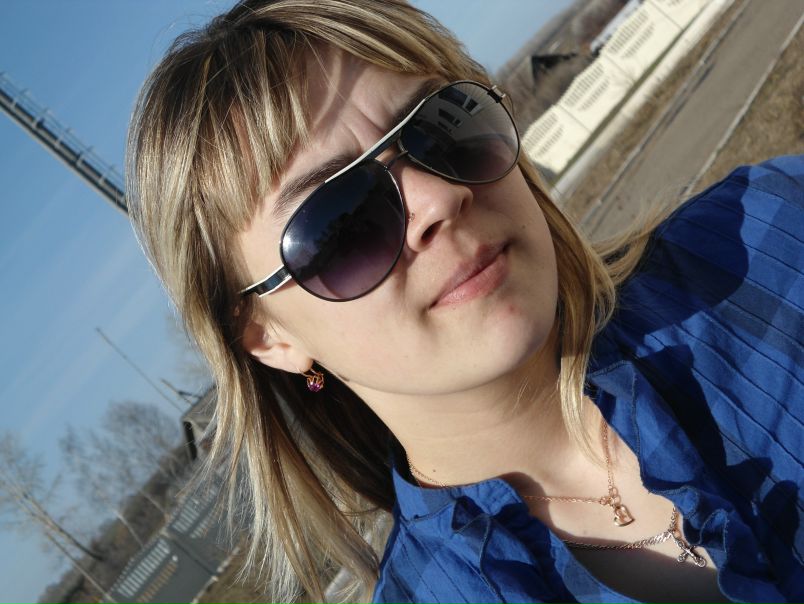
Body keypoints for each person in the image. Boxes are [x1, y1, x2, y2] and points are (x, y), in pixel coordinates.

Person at [126, 1, 803, 602]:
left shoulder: (772, 239)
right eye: (340, 222)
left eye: (441, 129)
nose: (439, 199)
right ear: (268, 335)